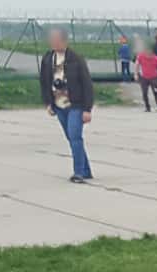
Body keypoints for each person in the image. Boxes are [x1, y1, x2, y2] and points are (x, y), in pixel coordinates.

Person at [39, 28, 96, 182]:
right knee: (71, 138)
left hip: (75, 105)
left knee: (75, 136)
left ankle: (78, 172)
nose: (53, 42)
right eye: (52, 40)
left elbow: (87, 84)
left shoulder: (75, 59)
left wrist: (87, 109)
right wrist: (48, 103)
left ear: (64, 41)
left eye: (57, 40)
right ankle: (86, 170)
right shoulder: (47, 59)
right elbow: (44, 82)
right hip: (58, 105)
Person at [135, 38, 157, 111]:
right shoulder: (141, 56)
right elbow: (137, 64)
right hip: (144, 77)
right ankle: (147, 107)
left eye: (150, 53)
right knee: (144, 93)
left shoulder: (155, 58)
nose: (149, 54)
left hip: (153, 77)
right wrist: (136, 74)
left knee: (156, 92)